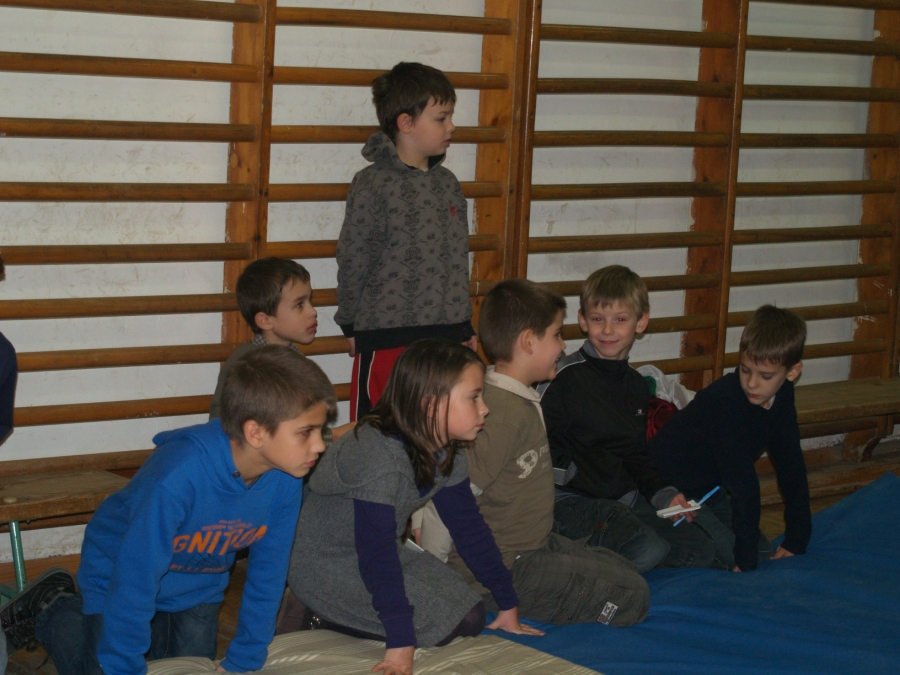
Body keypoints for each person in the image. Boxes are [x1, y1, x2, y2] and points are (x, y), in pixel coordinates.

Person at [2, 346, 337, 675]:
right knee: (105, 665)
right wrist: (122, 666)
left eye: (320, 430)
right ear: (256, 433)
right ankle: (52, 608)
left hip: (199, 585)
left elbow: (269, 572)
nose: (320, 445)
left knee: (184, 668)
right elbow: (136, 576)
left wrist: (246, 656)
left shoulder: (286, 479)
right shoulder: (176, 477)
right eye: (306, 432)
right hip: (118, 572)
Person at [287, 340, 542, 675]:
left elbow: (468, 527)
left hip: (378, 551)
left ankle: (352, 614)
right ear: (431, 405)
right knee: (440, 625)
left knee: (471, 613)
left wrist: (507, 603)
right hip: (325, 562)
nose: (485, 409)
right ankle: (317, 614)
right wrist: (400, 644)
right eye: (474, 397)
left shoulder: (446, 448)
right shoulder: (378, 455)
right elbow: (377, 554)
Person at [423, 279, 650, 626]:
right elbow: (445, 498)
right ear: (529, 342)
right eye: (557, 334)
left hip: (533, 545)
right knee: (633, 596)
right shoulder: (498, 414)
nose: (563, 345)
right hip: (504, 568)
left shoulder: (519, 399)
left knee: (624, 569)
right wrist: (432, 576)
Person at [539, 265, 715, 570]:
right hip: (570, 501)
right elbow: (535, 444)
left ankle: (611, 551)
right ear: (583, 320)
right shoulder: (561, 377)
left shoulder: (635, 385)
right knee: (649, 550)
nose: (608, 330)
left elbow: (635, 455)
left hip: (622, 500)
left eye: (620, 320)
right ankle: (566, 560)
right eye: (598, 319)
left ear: (641, 322)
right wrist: (574, 475)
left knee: (700, 551)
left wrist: (664, 496)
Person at [335, 62, 476, 420]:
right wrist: (349, 324)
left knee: (437, 431)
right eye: (441, 118)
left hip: (444, 341)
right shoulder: (372, 184)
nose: (451, 126)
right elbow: (354, 258)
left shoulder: (448, 183)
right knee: (381, 431)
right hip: (387, 339)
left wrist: (463, 326)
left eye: (451, 117)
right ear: (406, 123)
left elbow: (456, 262)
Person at [648, 305, 812, 572]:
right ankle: (647, 526)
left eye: (765, 376)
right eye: (745, 370)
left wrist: (797, 537)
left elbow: (790, 463)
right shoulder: (724, 403)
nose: (752, 383)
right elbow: (744, 486)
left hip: (708, 492)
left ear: (792, 373)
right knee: (726, 556)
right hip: (668, 490)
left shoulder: (783, 395)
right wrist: (744, 564)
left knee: (761, 551)